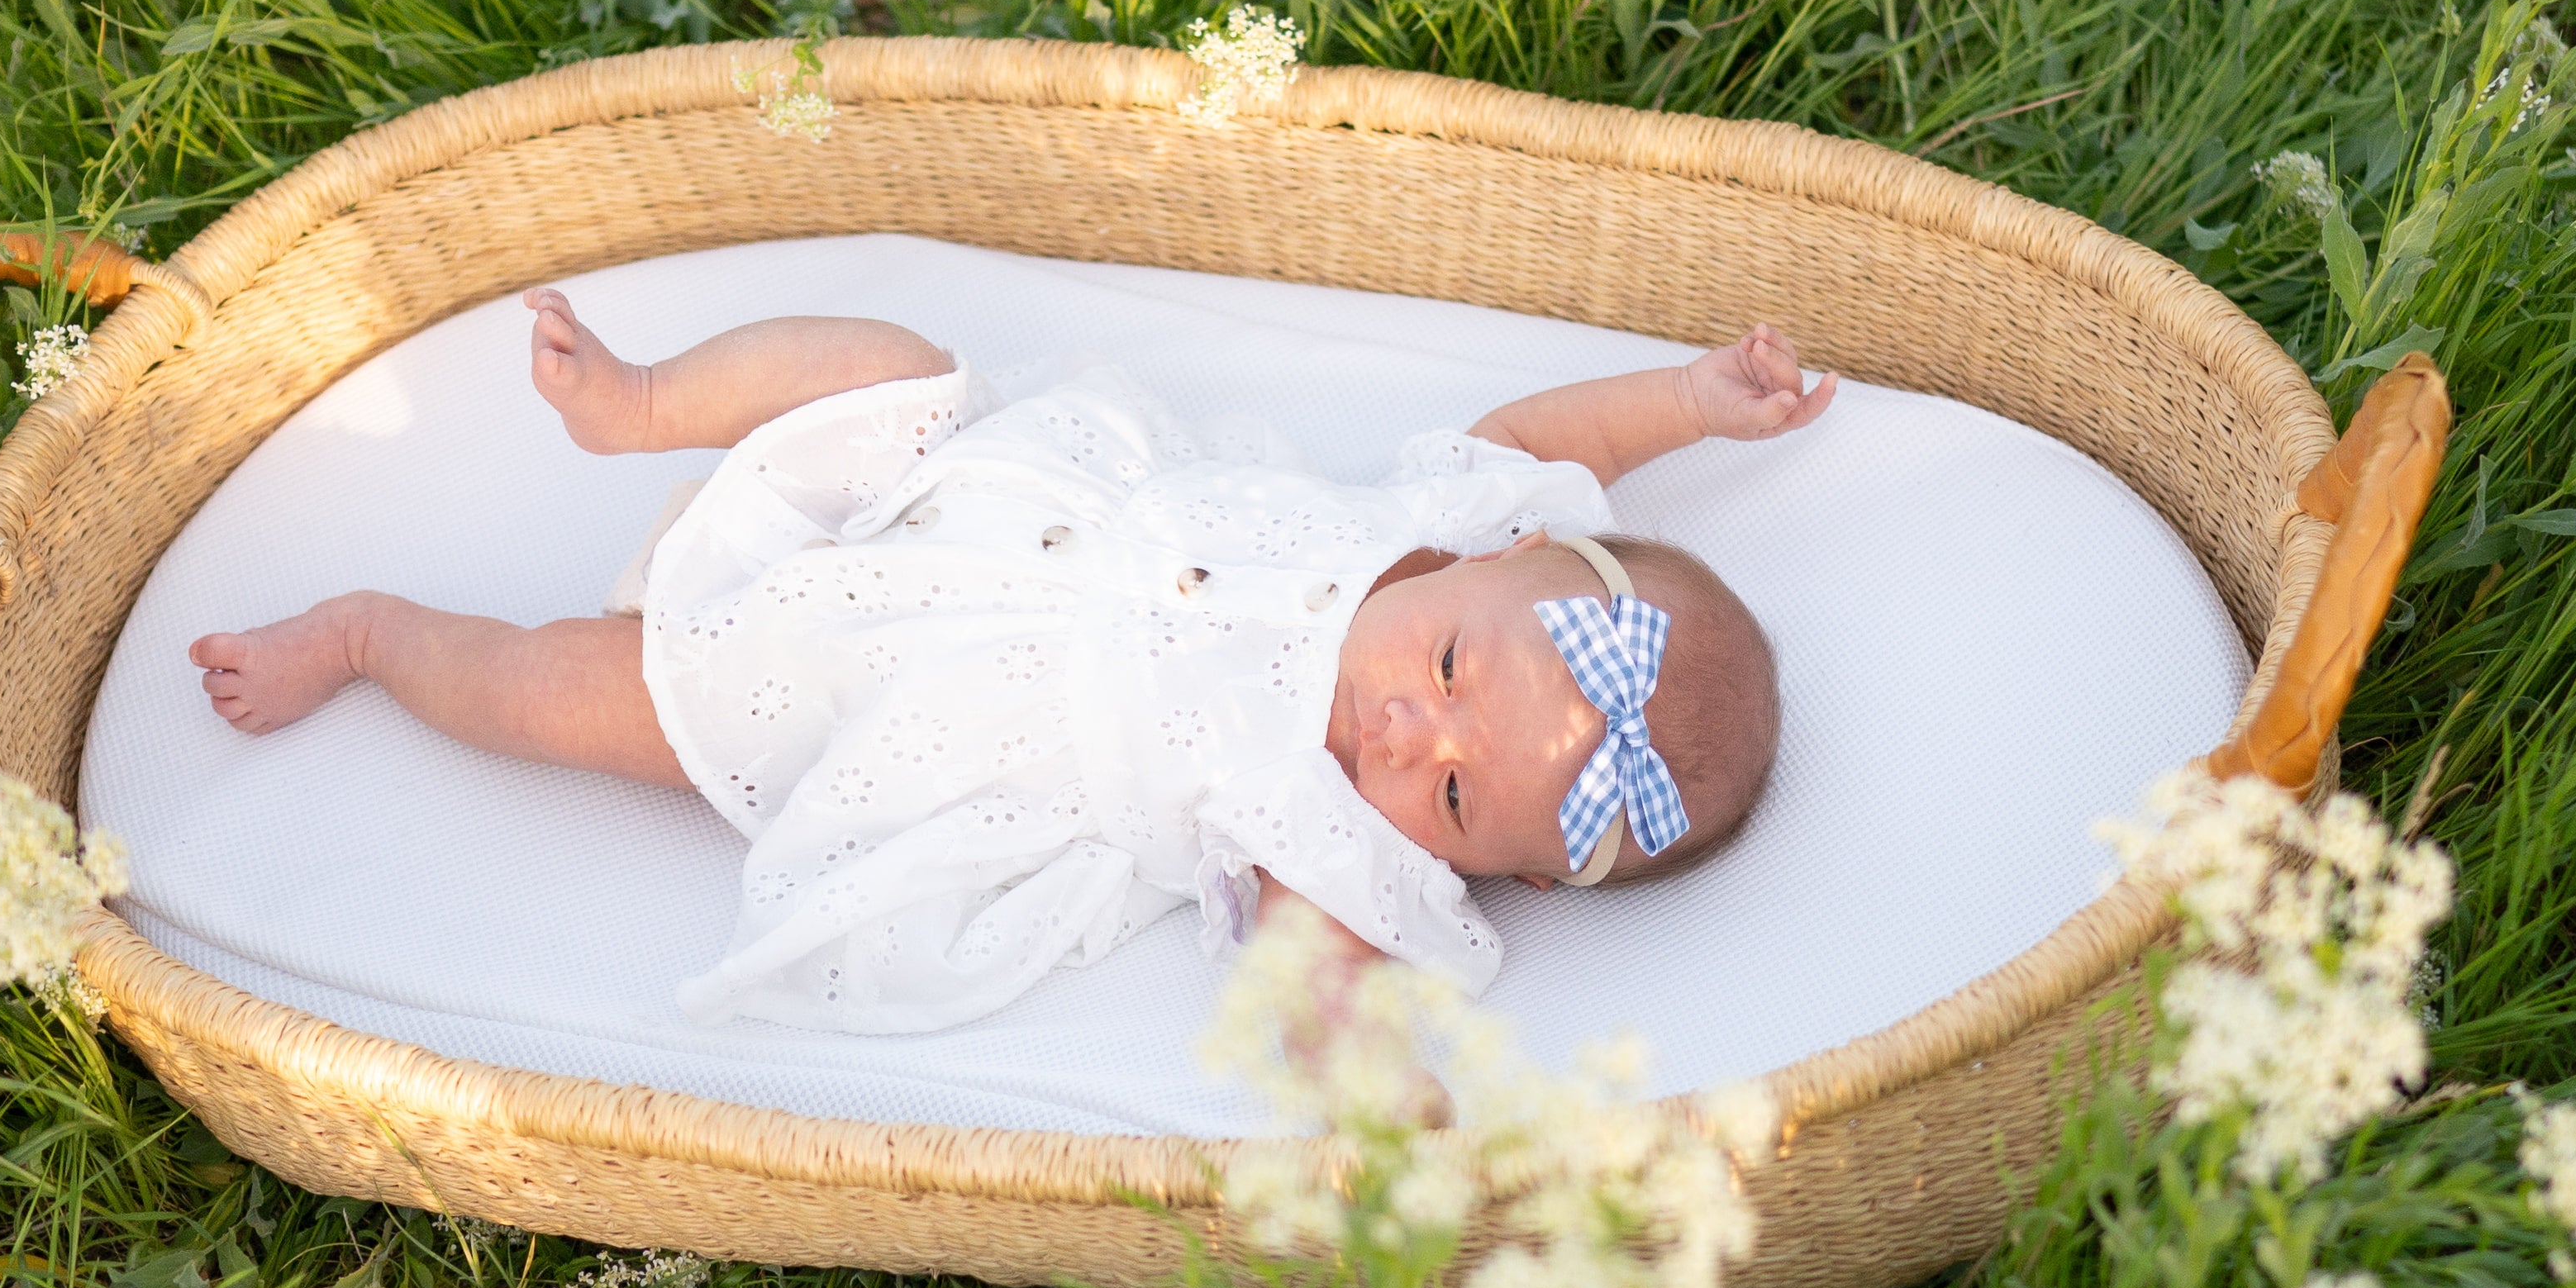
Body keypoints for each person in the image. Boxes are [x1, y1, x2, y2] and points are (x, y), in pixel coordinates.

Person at [187, 292, 1830, 1099]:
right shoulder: (1447, 520)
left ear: (1484, 870)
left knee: (580, 695)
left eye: (1457, 798)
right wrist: (1690, 397)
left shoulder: (1317, 829)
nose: (1409, 733)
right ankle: (641, 404)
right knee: (885, 365)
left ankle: (377, 636)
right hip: (979, 493)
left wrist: (1393, 1114)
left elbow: (1308, 991)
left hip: (885, 695)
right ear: (1509, 546)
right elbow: (1569, 434)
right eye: (1454, 670)